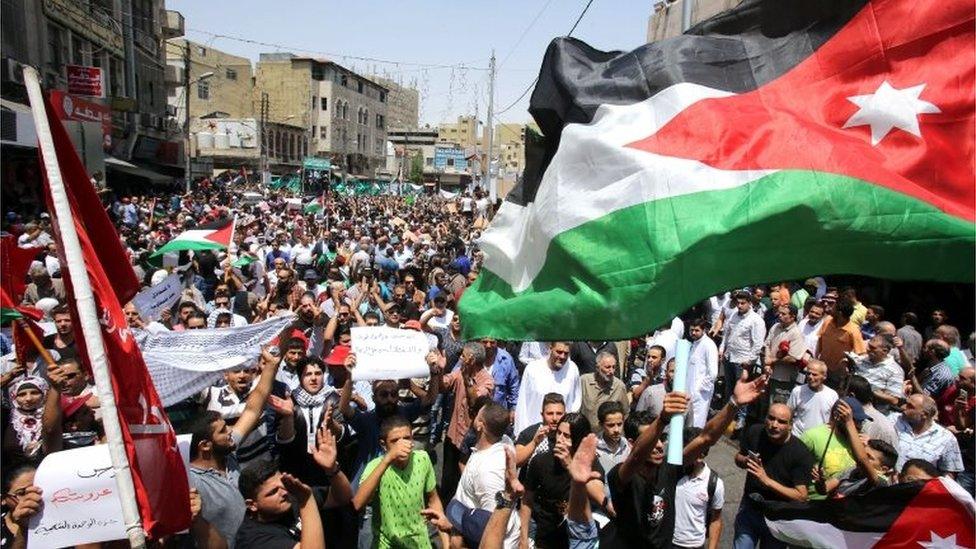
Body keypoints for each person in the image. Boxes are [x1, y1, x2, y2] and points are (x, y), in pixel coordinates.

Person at [600, 369, 768, 548]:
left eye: (662, 439)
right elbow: (635, 457)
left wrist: (733, 405)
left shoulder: (668, 468)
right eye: (652, 441)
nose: (658, 446)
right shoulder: (621, 475)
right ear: (633, 443)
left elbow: (705, 438)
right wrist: (663, 418)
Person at [188, 347, 281, 548]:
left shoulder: (229, 456)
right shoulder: (191, 480)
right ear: (205, 446)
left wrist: (271, 367)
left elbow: (252, 409)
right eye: (223, 431)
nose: (231, 432)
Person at [352, 415, 449, 549]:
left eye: (407, 438)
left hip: (420, 543)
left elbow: (433, 499)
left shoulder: (422, 459)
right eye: (395, 441)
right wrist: (388, 459)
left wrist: (446, 542)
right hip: (386, 544)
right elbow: (358, 504)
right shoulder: (375, 467)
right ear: (383, 444)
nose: (402, 444)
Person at [734, 403, 815, 549]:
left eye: (782, 422)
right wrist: (746, 461)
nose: (774, 425)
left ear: (790, 425)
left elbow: (801, 496)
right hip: (750, 508)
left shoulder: (800, 453)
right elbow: (738, 457)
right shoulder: (755, 432)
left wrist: (766, 481)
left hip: (777, 519)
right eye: (771, 418)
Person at [521, 413, 607, 549]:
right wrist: (523, 539)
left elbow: (598, 493)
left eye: (567, 436)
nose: (560, 439)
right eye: (558, 433)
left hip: (579, 538)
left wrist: (570, 466)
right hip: (547, 537)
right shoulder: (540, 461)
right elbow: (527, 500)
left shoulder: (589, 463)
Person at [446, 402, 521, 548]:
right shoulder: (504, 440)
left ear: (481, 425)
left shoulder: (487, 472)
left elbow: (491, 523)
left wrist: (459, 541)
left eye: (477, 415)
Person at [235, 460, 326, 549]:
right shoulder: (253, 539)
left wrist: (332, 470)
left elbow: (336, 497)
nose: (284, 493)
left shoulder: (291, 498)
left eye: (283, 485)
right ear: (252, 505)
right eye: (273, 492)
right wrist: (307, 502)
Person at [799, 398, 869, 500]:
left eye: (861, 421)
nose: (859, 426)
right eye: (855, 421)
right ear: (838, 416)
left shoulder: (859, 443)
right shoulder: (812, 437)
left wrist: (868, 447)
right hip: (815, 502)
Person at [719, 291, 766, 434]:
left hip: (742, 361)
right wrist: (722, 348)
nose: (739, 306)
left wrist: (749, 362)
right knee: (729, 389)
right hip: (729, 357)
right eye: (738, 303)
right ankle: (727, 417)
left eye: (742, 303)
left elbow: (757, 344)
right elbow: (726, 333)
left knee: (741, 391)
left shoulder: (756, 320)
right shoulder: (733, 315)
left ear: (750, 303)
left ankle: (741, 419)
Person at [672, 427, 724, 549]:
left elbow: (716, 520)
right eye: (694, 449)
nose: (699, 453)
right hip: (668, 542)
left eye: (702, 448)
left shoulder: (714, 483)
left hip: (695, 545)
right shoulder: (671, 474)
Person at [514, 342, 580, 435]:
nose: (562, 357)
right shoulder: (532, 369)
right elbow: (523, 404)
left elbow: (575, 404)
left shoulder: (573, 369)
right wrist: (521, 434)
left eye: (566, 353)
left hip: (561, 435)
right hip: (534, 433)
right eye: (559, 352)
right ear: (550, 349)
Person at [893, 393, 964, 476]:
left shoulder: (947, 439)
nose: (903, 407)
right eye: (906, 403)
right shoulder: (894, 420)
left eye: (910, 406)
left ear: (924, 415)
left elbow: (949, 473)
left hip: (915, 487)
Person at [816, 296, 866, 389]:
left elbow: (861, 354)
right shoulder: (827, 322)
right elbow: (820, 341)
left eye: (833, 308)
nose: (830, 309)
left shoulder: (853, 331)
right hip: (821, 368)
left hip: (837, 375)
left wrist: (847, 365)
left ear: (839, 313)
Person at [763, 304, 807, 406]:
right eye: (780, 313)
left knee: (778, 406)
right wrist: (767, 363)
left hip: (783, 378)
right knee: (765, 404)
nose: (780, 315)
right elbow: (767, 345)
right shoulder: (775, 327)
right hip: (769, 373)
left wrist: (772, 361)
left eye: (783, 314)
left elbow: (793, 358)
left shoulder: (796, 333)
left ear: (792, 317)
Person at [853, 335, 904, 416]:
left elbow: (894, 400)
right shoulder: (861, 360)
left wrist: (869, 390)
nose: (868, 349)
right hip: (851, 405)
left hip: (870, 413)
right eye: (868, 346)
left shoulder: (895, 371)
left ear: (885, 351)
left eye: (872, 348)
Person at [786, 359, 838, 437]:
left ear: (824, 376)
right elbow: (788, 413)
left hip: (820, 439)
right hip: (798, 437)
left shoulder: (832, 395)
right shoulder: (797, 391)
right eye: (808, 373)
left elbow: (833, 420)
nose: (810, 377)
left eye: (814, 374)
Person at [579, 351, 629, 432]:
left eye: (614, 367)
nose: (611, 371)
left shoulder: (619, 387)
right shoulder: (584, 381)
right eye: (608, 367)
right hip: (584, 433)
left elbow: (625, 413)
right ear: (597, 368)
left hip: (606, 436)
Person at [514, 392, 565, 468]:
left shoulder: (570, 435)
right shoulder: (529, 433)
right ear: (542, 415)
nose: (555, 418)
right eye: (550, 413)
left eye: (559, 414)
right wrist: (534, 443)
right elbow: (516, 461)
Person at [687, 318, 719, 429]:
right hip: (689, 390)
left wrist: (699, 389)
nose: (693, 333)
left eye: (696, 330)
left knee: (696, 423)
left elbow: (713, 373)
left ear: (704, 330)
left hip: (700, 394)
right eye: (691, 330)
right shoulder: (693, 344)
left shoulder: (709, 345)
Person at [594, 401, 631, 474]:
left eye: (619, 424)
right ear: (601, 425)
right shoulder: (594, 448)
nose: (616, 430)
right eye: (611, 425)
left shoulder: (628, 447)